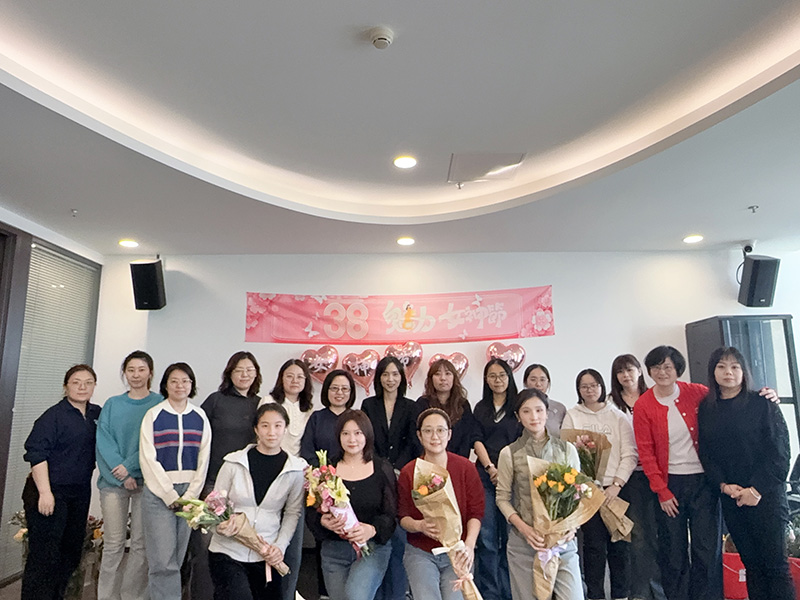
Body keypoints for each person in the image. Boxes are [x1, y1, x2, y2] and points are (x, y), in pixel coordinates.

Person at [697, 347, 794, 600]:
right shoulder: (707, 408)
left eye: (734, 366)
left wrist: (756, 490)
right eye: (721, 366)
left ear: (744, 371)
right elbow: (706, 453)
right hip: (732, 497)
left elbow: (781, 453)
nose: (728, 372)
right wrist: (722, 485)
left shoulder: (762, 403)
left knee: (775, 566)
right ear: (713, 372)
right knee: (752, 565)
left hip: (766, 496)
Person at [208, 403, 307, 600]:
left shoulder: (296, 469)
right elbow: (215, 505)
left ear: (285, 429)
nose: (272, 432)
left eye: (278, 426)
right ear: (256, 429)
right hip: (227, 550)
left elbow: (292, 513)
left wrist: (280, 547)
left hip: (266, 553)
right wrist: (219, 527)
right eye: (265, 425)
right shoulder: (233, 462)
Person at [21, 364, 101, 600]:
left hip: (79, 492)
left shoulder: (96, 414)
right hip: (49, 492)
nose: (82, 387)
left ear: (94, 386)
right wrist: (45, 493)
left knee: (70, 553)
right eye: (76, 382)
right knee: (44, 556)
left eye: (88, 382)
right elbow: (36, 454)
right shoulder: (53, 416)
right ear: (65, 386)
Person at [496, 388, 582, 600]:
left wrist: (572, 528)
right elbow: (502, 499)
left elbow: (578, 494)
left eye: (539, 410)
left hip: (562, 542)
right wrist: (524, 529)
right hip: (524, 543)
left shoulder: (567, 449)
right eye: (526, 411)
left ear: (547, 412)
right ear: (518, 416)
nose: (533, 416)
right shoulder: (509, 453)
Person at [190, 351, 263, 600]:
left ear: (256, 374)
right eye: (239, 370)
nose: (244, 375)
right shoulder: (216, 400)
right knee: (206, 546)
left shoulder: (260, 404)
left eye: (250, 370)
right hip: (214, 483)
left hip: (246, 486)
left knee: (242, 546)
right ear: (229, 373)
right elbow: (196, 435)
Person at [307, 410, 397, 600]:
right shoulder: (326, 470)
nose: (352, 439)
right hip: (334, 550)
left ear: (367, 435)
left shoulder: (382, 468)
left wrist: (371, 529)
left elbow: (391, 516)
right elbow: (310, 512)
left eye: (358, 433)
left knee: (355, 596)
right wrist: (323, 521)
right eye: (345, 433)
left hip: (371, 549)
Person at [563, 369, 637, 600]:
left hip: (617, 490)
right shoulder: (572, 415)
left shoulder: (617, 416)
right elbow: (567, 454)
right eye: (584, 386)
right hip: (588, 492)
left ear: (602, 386)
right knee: (593, 548)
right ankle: (595, 595)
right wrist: (586, 485)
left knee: (620, 546)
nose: (590, 390)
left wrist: (617, 484)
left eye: (594, 385)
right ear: (578, 389)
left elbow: (630, 454)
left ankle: (621, 595)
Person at [140, 362, 211, 600]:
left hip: (189, 495)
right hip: (159, 494)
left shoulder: (200, 416)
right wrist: (169, 495)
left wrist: (190, 496)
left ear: (192, 385)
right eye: (174, 381)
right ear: (165, 385)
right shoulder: (153, 415)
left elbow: (203, 459)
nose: (180, 386)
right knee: (163, 561)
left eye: (185, 381)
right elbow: (148, 459)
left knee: (177, 559)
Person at [96, 351, 163, 600]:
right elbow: (103, 441)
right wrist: (123, 474)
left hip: (147, 483)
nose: (136, 375)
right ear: (125, 373)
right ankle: (107, 596)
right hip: (113, 483)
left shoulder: (159, 403)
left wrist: (131, 467)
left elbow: (155, 442)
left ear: (150, 373)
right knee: (113, 544)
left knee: (140, 545)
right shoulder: (112, 404)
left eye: (141, 369)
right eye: (131, 370)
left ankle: (131, 596)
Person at [398, 408, 484, 600]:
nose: (434, 436)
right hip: (421, 552)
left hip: (458, 550)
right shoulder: (409, 472)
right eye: (428, 431)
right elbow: (403, 516)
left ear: (449, 434)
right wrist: (419, 525)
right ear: (419, 435)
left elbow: (476, 512)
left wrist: (469, 545)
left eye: (440, 430)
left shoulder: (465, 468)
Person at [608, 353, 666, 600]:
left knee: (660, 533)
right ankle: (642, 592)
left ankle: (660, 589)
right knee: (638, 535)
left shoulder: (654, 396)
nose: (626, 375)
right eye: (620, 371)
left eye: (630, 370)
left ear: (640, 371)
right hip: (627, 476)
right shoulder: (610, 403)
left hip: (659, 473)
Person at [362, 356, 418, 600]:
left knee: (399, 536)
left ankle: (398, 593)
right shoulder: (368, 405)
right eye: (385, 374)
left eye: (395, 374)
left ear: (401, 378)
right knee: (378, 533)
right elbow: (366, 440)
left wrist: (396, 468)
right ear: (379, 378)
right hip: (374, 475)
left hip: (402, 475)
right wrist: (381, 467)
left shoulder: (411, 406)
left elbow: (413, 442)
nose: (390, 379)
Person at [259, 358, 315, 600]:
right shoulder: (269, 402)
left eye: (300, 377)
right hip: (270, 476)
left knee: (292, 542)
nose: (294, 380)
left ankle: (289, 593)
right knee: (266, 540)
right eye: (289, 375)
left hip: (296, 478)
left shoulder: (309, 408)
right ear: (281, 378)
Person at [473, 358, 519, 600]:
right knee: (488, 537)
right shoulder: (481, 407)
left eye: (502, 375)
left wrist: (506, 471)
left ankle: (511, 591)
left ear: (509, 377)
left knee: (511, 536)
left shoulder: (518, 406)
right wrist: (491, 468)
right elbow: (476, 440)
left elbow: (522, 441)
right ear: (486, 380)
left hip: (515, 477)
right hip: (485, 476)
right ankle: (490, 592)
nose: (497, 380)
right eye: (492, 376)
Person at [416, 359, 477, 458]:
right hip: (428, 459)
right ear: (431, 379)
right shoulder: (422, 404)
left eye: (448, 373)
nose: (443, 378)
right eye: (437, 374)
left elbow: (466, 439)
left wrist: (456, 461)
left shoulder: (463, 404)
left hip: (457, 460)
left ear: (454, 378)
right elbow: (417, 438)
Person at [300, 369, 356, 464]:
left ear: (351, 392)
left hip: (352, 470)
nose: (339, 392)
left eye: (344, 389)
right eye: (334, 388)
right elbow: (307, 451)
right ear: (326, 390)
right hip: (321, 471)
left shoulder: (357, 418)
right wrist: (323, 470)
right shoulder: (316, 418)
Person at [523, 363, 567, 437]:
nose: (538, 384)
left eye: (542, 380)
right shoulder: (518, 406)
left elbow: (564, 436)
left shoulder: (559, 408)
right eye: (533, 380)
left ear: (548, 382)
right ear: (525, 382)